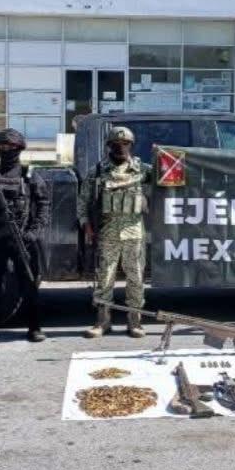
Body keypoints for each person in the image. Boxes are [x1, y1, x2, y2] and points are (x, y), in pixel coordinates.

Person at [0, 129, 50, 343]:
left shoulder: (29, 175)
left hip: (22, 238)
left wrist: (34, 232)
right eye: (1, 147)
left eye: (10, 147)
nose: (4, 150)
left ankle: (34, 328)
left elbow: (43, 205)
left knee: (29, 285)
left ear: (19, 149)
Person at [79, 126, 151, 338]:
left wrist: (167, 155)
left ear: (131, 145)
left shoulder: (142, 169)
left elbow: (170, 175)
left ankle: (135, 322)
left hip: (134, 232)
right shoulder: (98, 171)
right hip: (107, 232)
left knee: (136, 277)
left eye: (125, 144)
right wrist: (86, 225)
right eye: (116, 144)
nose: (121, 148)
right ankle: (103, 322)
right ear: (109, 146)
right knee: (105, 278)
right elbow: (83, 201)